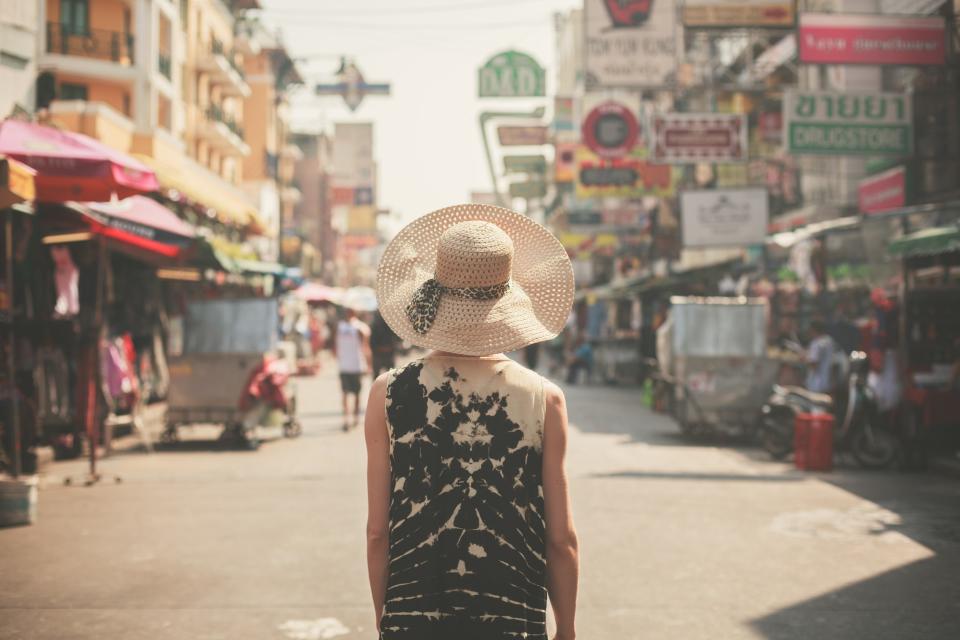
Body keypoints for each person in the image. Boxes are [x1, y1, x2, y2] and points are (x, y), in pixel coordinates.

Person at [365, 204, 580, 640]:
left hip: (413, 618)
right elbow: (561, 539)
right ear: (508, 296)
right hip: (512, 616)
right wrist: (568, 628)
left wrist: (384, 619)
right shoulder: (544, 399)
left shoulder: (387, 393)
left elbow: (377, 532)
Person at [334, 307, 371, 431]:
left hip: (350, 365)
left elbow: (365, 347)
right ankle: (350, 418)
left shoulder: (356, 328)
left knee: (349, 393)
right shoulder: (361, 328)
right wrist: (368, 364)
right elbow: (366, 348)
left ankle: (350, 418)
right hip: (352, 365)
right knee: (353, 393)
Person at [806, 319, 838, 394]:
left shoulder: (816, 343)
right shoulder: (830, 341)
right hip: (828, 382)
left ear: (813, 330)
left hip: (816, 384)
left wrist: (804, 359)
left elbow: (814, 364)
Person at [369, 311, 400, 378]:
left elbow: (396, 338)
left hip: (388, 354)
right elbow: (372, 340)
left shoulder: (391, 324)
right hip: (378, 354)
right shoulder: (375, 325)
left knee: (391, 377)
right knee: (378, 376)